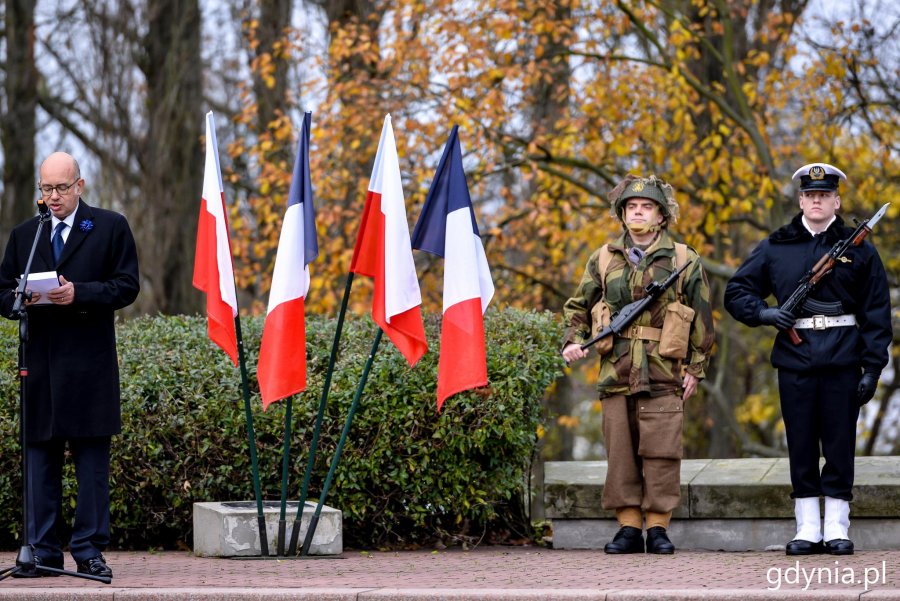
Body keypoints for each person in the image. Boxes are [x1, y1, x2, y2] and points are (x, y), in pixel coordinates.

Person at [724, 163, 891, 556]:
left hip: (842, 359)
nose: (817, 200)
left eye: (824, 194)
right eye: (810, 195)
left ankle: (836, 525)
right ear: (801, 199)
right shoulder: (777, 244)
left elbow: (877, 311)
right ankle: (807, 527)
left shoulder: (859, 248)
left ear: (837, 200)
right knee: (800, 443)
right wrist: (765, 314)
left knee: (839, 443)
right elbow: (737, 291)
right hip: (795, 357)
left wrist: (872, 367)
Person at [0, 152, 140, 578]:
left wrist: (79, 293)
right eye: (46, 189)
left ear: (80, 185)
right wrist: (21, 299)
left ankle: (89, 551)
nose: (53, 197)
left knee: (91, 465)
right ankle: (42, 551)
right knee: (39, 461)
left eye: (61, 187)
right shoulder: (27, 234)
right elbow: (4, 290)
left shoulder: (109, 226)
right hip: (39, 367)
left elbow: (126, 285)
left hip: (89, 367)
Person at [562, 174, 714, 554]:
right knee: (620, 451)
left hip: (665, 369)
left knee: (662, 450)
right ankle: (629, 527)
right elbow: (578, 307)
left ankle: (659, 527)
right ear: (622, 214)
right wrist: (572, 342)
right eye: (632, 207)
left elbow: (703, 317)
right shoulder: (603, 258)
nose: (638, 213)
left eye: (646, 207)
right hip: (616, 368)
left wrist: (696, 368)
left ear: (661, 216)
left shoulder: (683, 258)